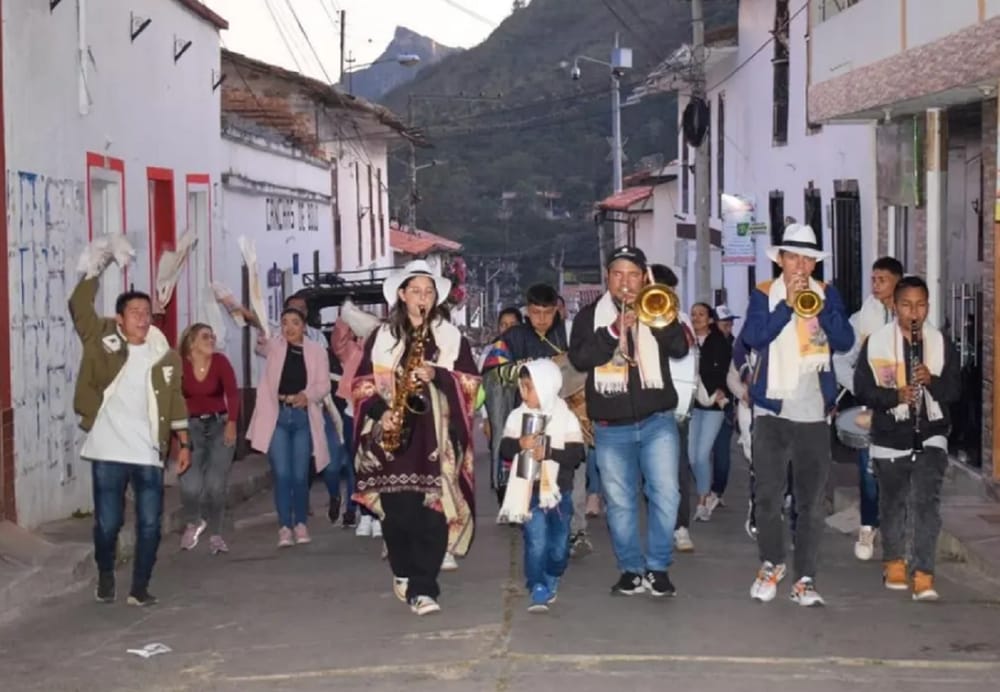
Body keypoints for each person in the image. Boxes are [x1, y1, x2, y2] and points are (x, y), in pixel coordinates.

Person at [352, 260, 480, 615]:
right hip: (392, 434)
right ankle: (403, 571)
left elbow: (472, 385)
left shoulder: (451, 338)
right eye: (416, 291)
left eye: (429, 292)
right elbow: (360, 385)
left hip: (436, 435)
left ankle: (425, 588)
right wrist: (382, 411)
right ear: (402, 295)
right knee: (398, 514)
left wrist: (438, 375)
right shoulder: (381, 337)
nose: (423, 298)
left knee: (434, 513)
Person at [69, 249, 190, 607]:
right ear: (119, 319)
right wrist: (95, 268)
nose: (142, 317)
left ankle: (140, 587)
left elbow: (175, 399)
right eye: (134, 312)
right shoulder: (102, 343)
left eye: (146, 312)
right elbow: (79, 307)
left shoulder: (164, 356)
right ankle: (106, 571)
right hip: (108, 450)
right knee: (108, 524)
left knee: (150, 523)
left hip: (148, 452)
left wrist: (184, 443)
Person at [742, 224, 854, 607]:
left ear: (814, 264)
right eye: (793, 258)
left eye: (807, 259)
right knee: (768, 497)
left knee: (810, 503)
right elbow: (753, 337)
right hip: (771, 410)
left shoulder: (827, 293)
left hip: (813, 414)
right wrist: (787, 306)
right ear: (781, 261)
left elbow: (845, 341)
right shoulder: (763, 294)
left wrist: (820, 310)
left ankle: (805, 579)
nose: (800, 266)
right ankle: (771, 563)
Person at [569, 246, 689, 597]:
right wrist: (612, 331)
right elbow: (580, 359)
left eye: (633, 275)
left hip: (658, 420)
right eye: (618, 274)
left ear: (644, 277)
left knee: (666, 495)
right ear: (607, 277)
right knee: (620, 503)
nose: (625, 282)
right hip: (611, 426)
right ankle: (631, 570)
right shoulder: (589, 317)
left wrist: (659, 319)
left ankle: (658, 567)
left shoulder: (660, 307)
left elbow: (680, 349)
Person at [853, 276, 959, 601]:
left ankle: (924, 572)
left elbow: (955, 390)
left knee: (926, 504)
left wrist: (932, 380)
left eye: (921, 305)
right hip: (890, 432)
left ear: (928, 306)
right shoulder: (876, 343)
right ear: (895, 307)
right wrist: (895, 396)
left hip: (931, 433)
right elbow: (862, 389)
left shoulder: (940, 343)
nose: (914, 312)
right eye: (907, 305)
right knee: (893, 503)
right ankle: (894, 561)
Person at [497, 360, 585, 612]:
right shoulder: (517, 416)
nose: (523, 393)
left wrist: (549, 452)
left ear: (546, 387)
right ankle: (537, 585)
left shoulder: (565, 417)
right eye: (522, 387)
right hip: (529, 491)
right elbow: (504, 448)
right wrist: (519, 444)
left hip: (558, 492)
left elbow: (576, 455)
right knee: (536, 541)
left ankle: (553, 573)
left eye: (529, 387)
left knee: (558, 546)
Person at [833, 257, 904, 561]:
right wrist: (860, 387)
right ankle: (868, 526)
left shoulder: (912, 315)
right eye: (873, 279)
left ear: (898, 281)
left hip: (904, 406)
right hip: (871, 406)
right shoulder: (861, 319)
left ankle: (896, 535)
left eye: (882, 279)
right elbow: (840, 359)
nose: (875, 285)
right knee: (868, 469)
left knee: (900, 471)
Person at [246, 307, 331, 547]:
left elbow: (324, 384)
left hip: (303, 417)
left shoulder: (316, 351)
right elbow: (261, 344)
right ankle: (284, 526)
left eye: (295, 322)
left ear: (304, 326)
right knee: (282, 474)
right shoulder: (275, 346)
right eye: (285, 322)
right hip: (277, 417)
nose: (289, 327)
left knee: (299, 475)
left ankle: (301, 523)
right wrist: (256, 322)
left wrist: (307, 395)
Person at [483, 285, 568, 510]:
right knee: (523, 476)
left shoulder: (565, 334)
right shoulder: (512, 336)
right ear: (527, 311)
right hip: (521, 413)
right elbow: (493, 371)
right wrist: (528, 372)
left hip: (559, 414)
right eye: (536, 312)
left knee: (558, 477)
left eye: (548, 312)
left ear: (556, 310)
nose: (542, 319)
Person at [178, 323, 240, 554]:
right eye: (205, 336)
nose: (211, 340)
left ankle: (216, 534)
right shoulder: (181, 366)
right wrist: (180, 434)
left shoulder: (220, 362)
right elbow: (174, 398)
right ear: (192, 342)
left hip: (219, 425)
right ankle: (194, 521)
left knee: (215, 484)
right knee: (190, 485)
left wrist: (232, 423)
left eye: (212, 336)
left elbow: (232, 394)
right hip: (191, 427)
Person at [688, 303, 732, 522]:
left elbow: (725, 371)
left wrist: (721, 390)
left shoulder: (719, 342)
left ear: (710, 319)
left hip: (714, 405)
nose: (696, 318)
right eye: (693, 314)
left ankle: (703, 501)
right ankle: (705, 491)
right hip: (691, 405)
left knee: (702, 454)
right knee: (691, 456)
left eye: (701, 314)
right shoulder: (685, 340)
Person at [709, 305, 739, 507]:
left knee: (721, 451)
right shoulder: (706, 344)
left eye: (730, 323)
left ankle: (717, 491)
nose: (729, 327)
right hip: (704, 405)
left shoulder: (736, 346)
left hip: (725, 405)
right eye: (724, 323)